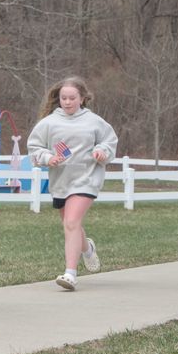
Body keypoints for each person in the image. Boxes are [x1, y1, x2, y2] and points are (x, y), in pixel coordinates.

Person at [26, 76, 118, 290]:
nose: (67, 102)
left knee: (71, 222)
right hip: (60, 181)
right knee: (71, 225)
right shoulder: (48, 122)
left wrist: (101, 152)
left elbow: (110, 140)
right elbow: (34, 147)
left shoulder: (94, 121)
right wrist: (49, 158)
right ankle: (87, 249)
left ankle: (70, 273)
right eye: (63, 98)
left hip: (86, 179)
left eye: (72, 98)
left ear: (82, 98)